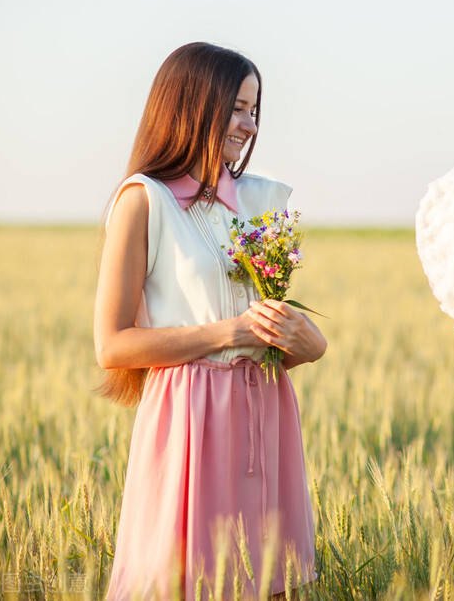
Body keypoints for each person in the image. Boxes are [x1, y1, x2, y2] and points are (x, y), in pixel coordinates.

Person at [95, 42, 327, 600]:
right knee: (183, 581)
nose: (249, 126)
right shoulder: (144, 200)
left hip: (265, 409)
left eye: (255, 111)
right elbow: (113, 345)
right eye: (237, 108)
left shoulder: (260, 202)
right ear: (193, 102)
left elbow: (272, 329)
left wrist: (308, 340)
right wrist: (229, 333)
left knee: (267, 580)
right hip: (190, 416)